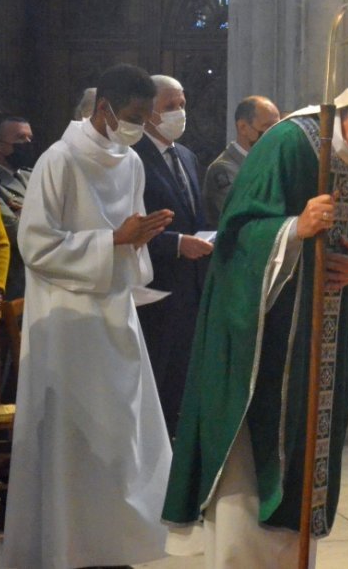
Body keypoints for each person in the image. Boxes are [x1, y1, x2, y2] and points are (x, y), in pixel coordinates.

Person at [164, 42, 348, 567]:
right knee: (252, 469)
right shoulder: (288, 142)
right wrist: (293, 228)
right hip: (260, 342)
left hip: (316, 341)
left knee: (303, 464)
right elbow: (237, 236)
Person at [5, 63, 175, 568]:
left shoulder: (132, 162)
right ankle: (67, 547)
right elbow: (35, 244)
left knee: (123, 439)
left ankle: (113, 545)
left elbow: (130, 240)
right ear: (104, 109)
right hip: (66, 322)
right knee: (75, 438)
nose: (140, 126)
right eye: (133, 115)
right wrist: (113, 241)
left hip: (115, 316)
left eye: (145, 117)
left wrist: (138, 240)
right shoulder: (60, 160)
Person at [134, 74, 214, 438]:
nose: (179, 112)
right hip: (155, 290)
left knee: (183, 381)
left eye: (182, 105)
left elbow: (195, 215)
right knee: (157, 383)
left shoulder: (186, 155)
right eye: (170, 107)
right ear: (149, 112)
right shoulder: (132, 155)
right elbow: (125, 229)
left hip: (191, 289)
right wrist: (176, 243)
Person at [203, 95, 281, 227]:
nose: (274, 133)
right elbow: (242, 214)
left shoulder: (269, 160)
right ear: (243, 127)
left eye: (277, 127)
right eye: (267, 127)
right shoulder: (223, 169)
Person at [0, 113, 34, 301]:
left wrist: (27, 214)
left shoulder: (32, 175)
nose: (27, 143)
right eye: (19, 138)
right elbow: (17, 233)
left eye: (29, 138)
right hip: (15, 286)